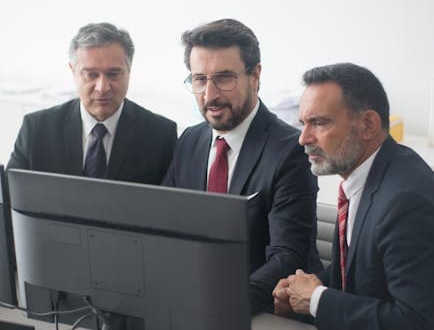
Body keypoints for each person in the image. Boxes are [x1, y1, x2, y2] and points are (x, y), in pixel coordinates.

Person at [273, 63, 434, 330]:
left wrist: (318, 301)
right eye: (303, 123)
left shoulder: (406, 200)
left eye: (319, 123)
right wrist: (303, 292)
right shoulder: (363, 175)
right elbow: (363, 272)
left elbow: (420, 326)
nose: (303, 138)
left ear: (368, 125)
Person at [163, 18, 321, 313]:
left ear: (255, 76)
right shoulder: (190, 140)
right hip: (189, 304)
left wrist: (219, 305)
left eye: (223, 78)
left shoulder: (290, 151)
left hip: (260, 313)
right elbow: (165, 227)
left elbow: (287, 257)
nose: (209, 95)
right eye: (199, 79)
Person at [7, 22, 177, 184]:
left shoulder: (161, 135)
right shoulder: (37, 129)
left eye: (114, 74)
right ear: (73, 71)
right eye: (91, 75)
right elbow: (7, 201)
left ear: (129, 71)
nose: (102, 88)